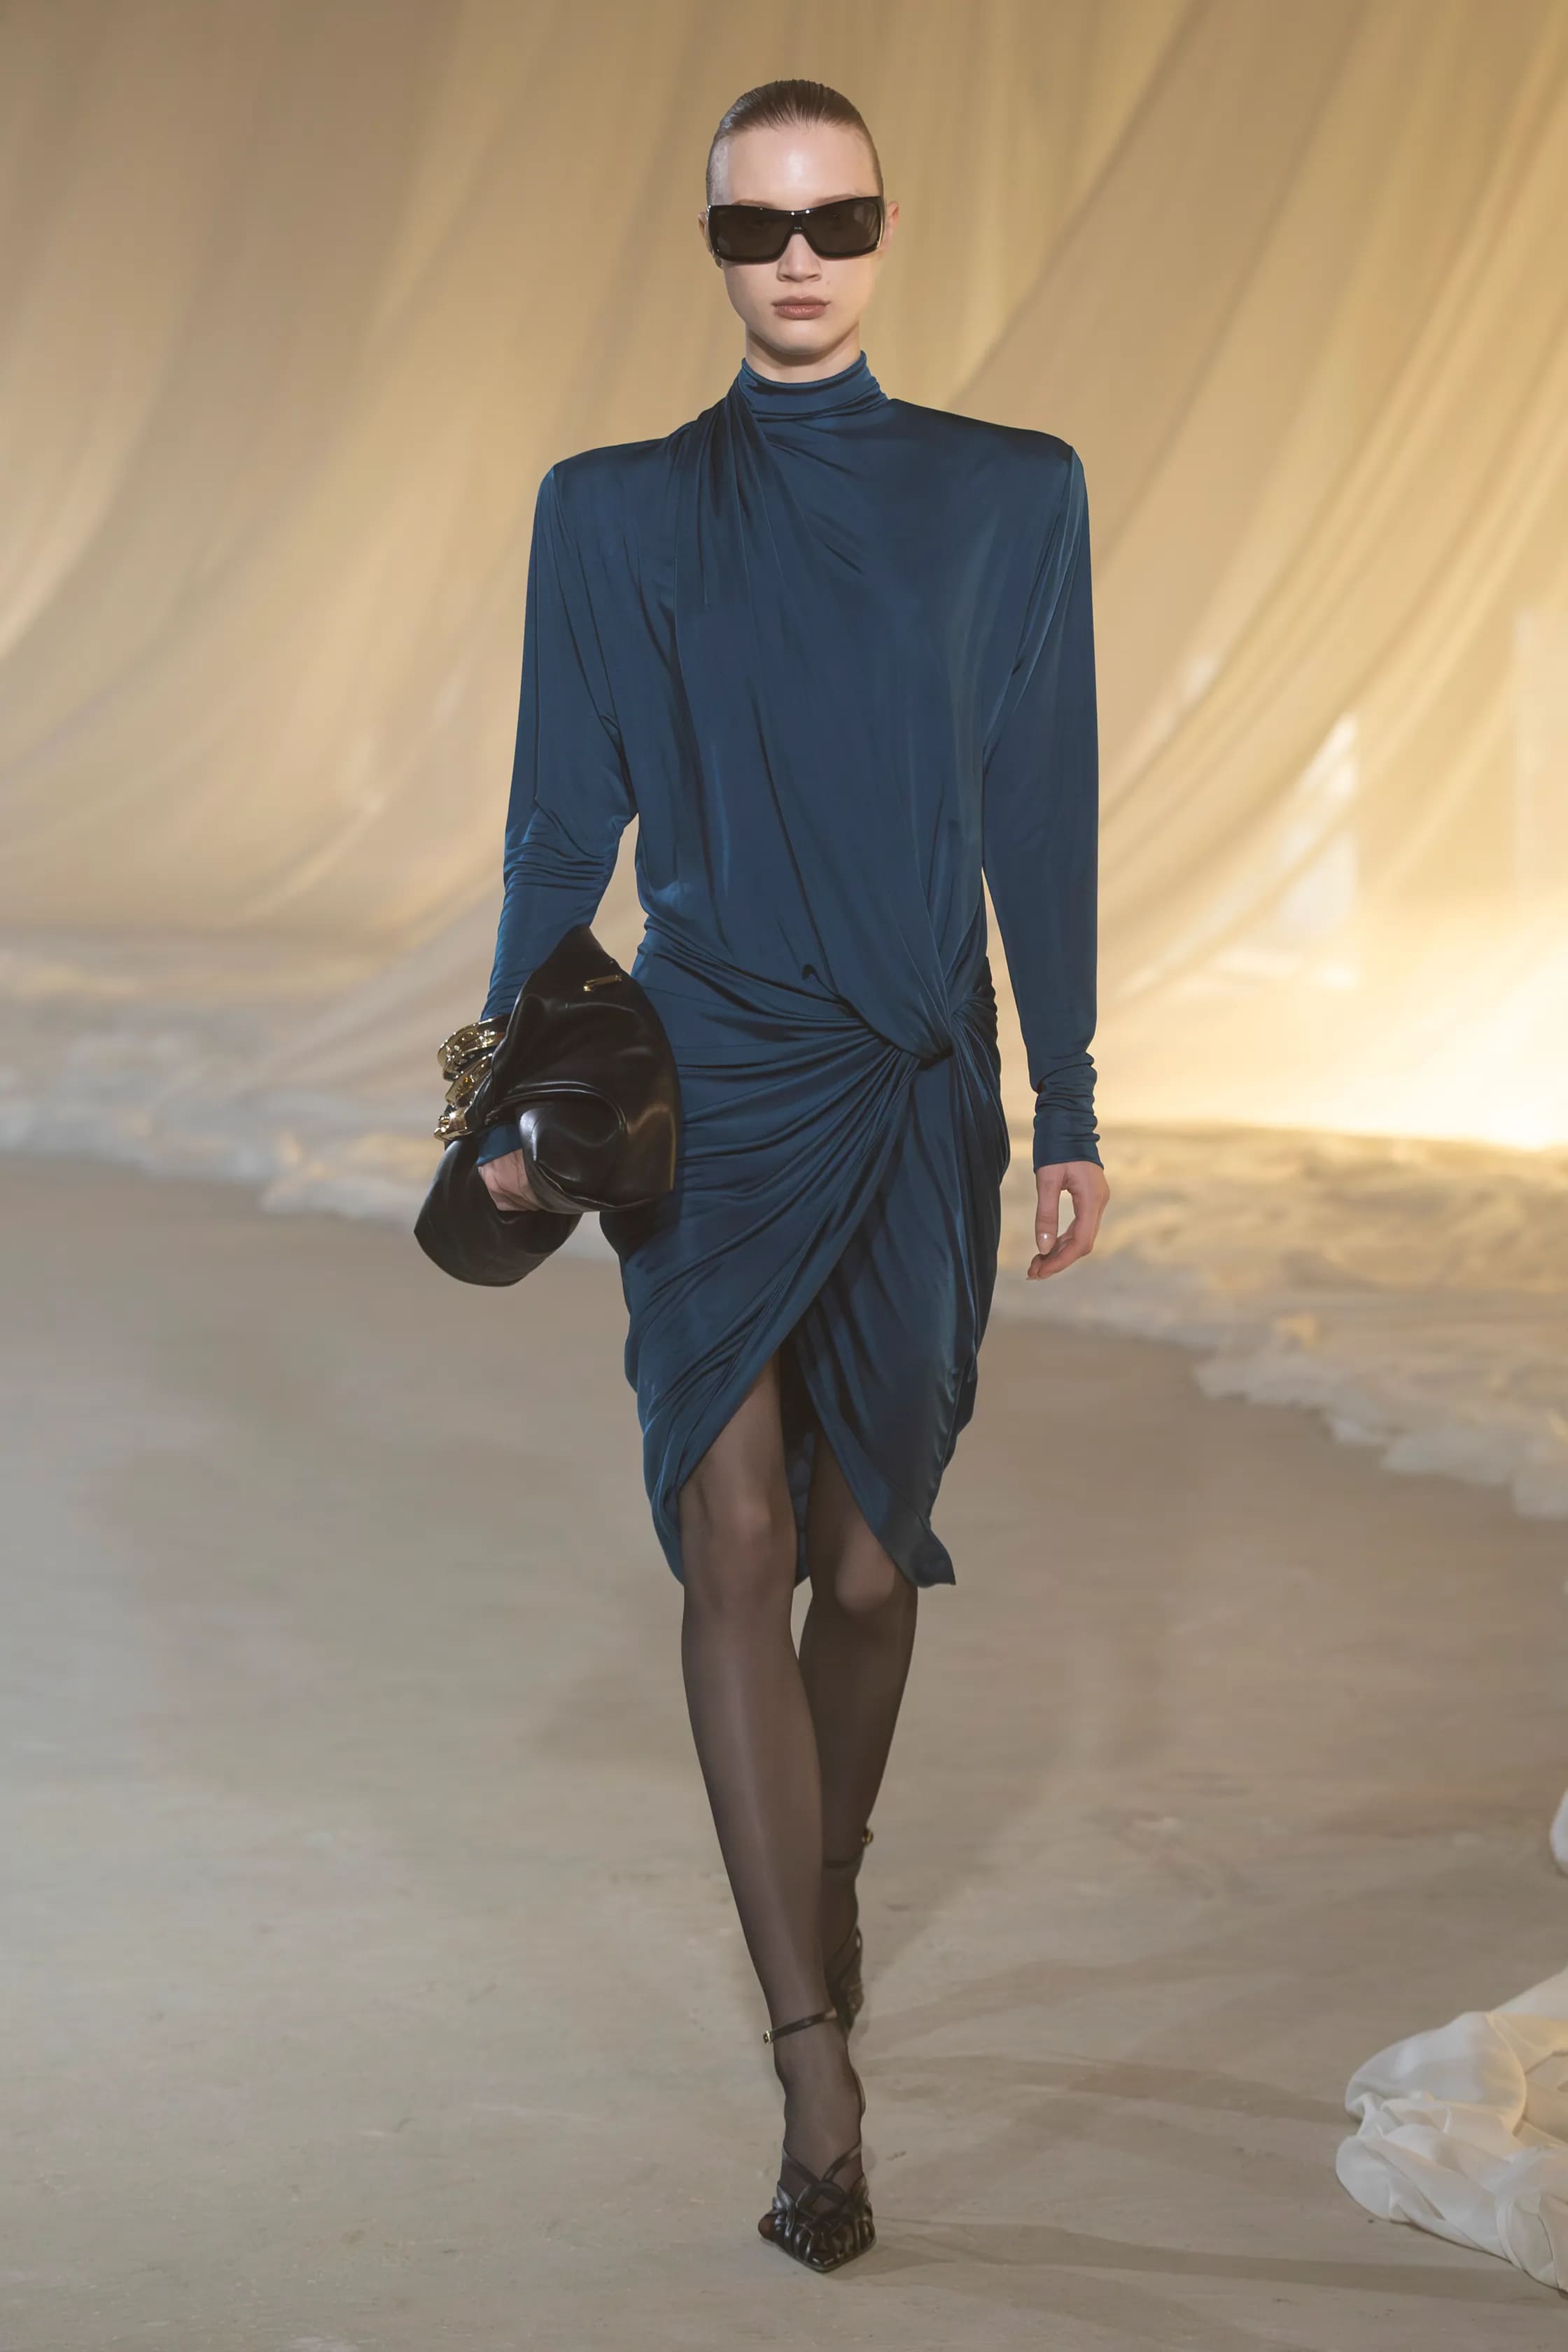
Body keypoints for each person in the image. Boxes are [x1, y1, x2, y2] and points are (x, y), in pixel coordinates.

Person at [470, 78, 1109, 2272]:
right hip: (710, 1081)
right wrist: (509, 1086)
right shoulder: (615, 512)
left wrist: (1075, 1095)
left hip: (919, 1076)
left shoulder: (1010, 497)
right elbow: (561, 821)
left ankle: (816, 1882)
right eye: (758, 230)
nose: (800, 260)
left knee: (867, 1568)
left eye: (833, 220)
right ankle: (813, 2059)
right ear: (716, 253)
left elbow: (1042, 810)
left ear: (886, 230)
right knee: (737, 1537)